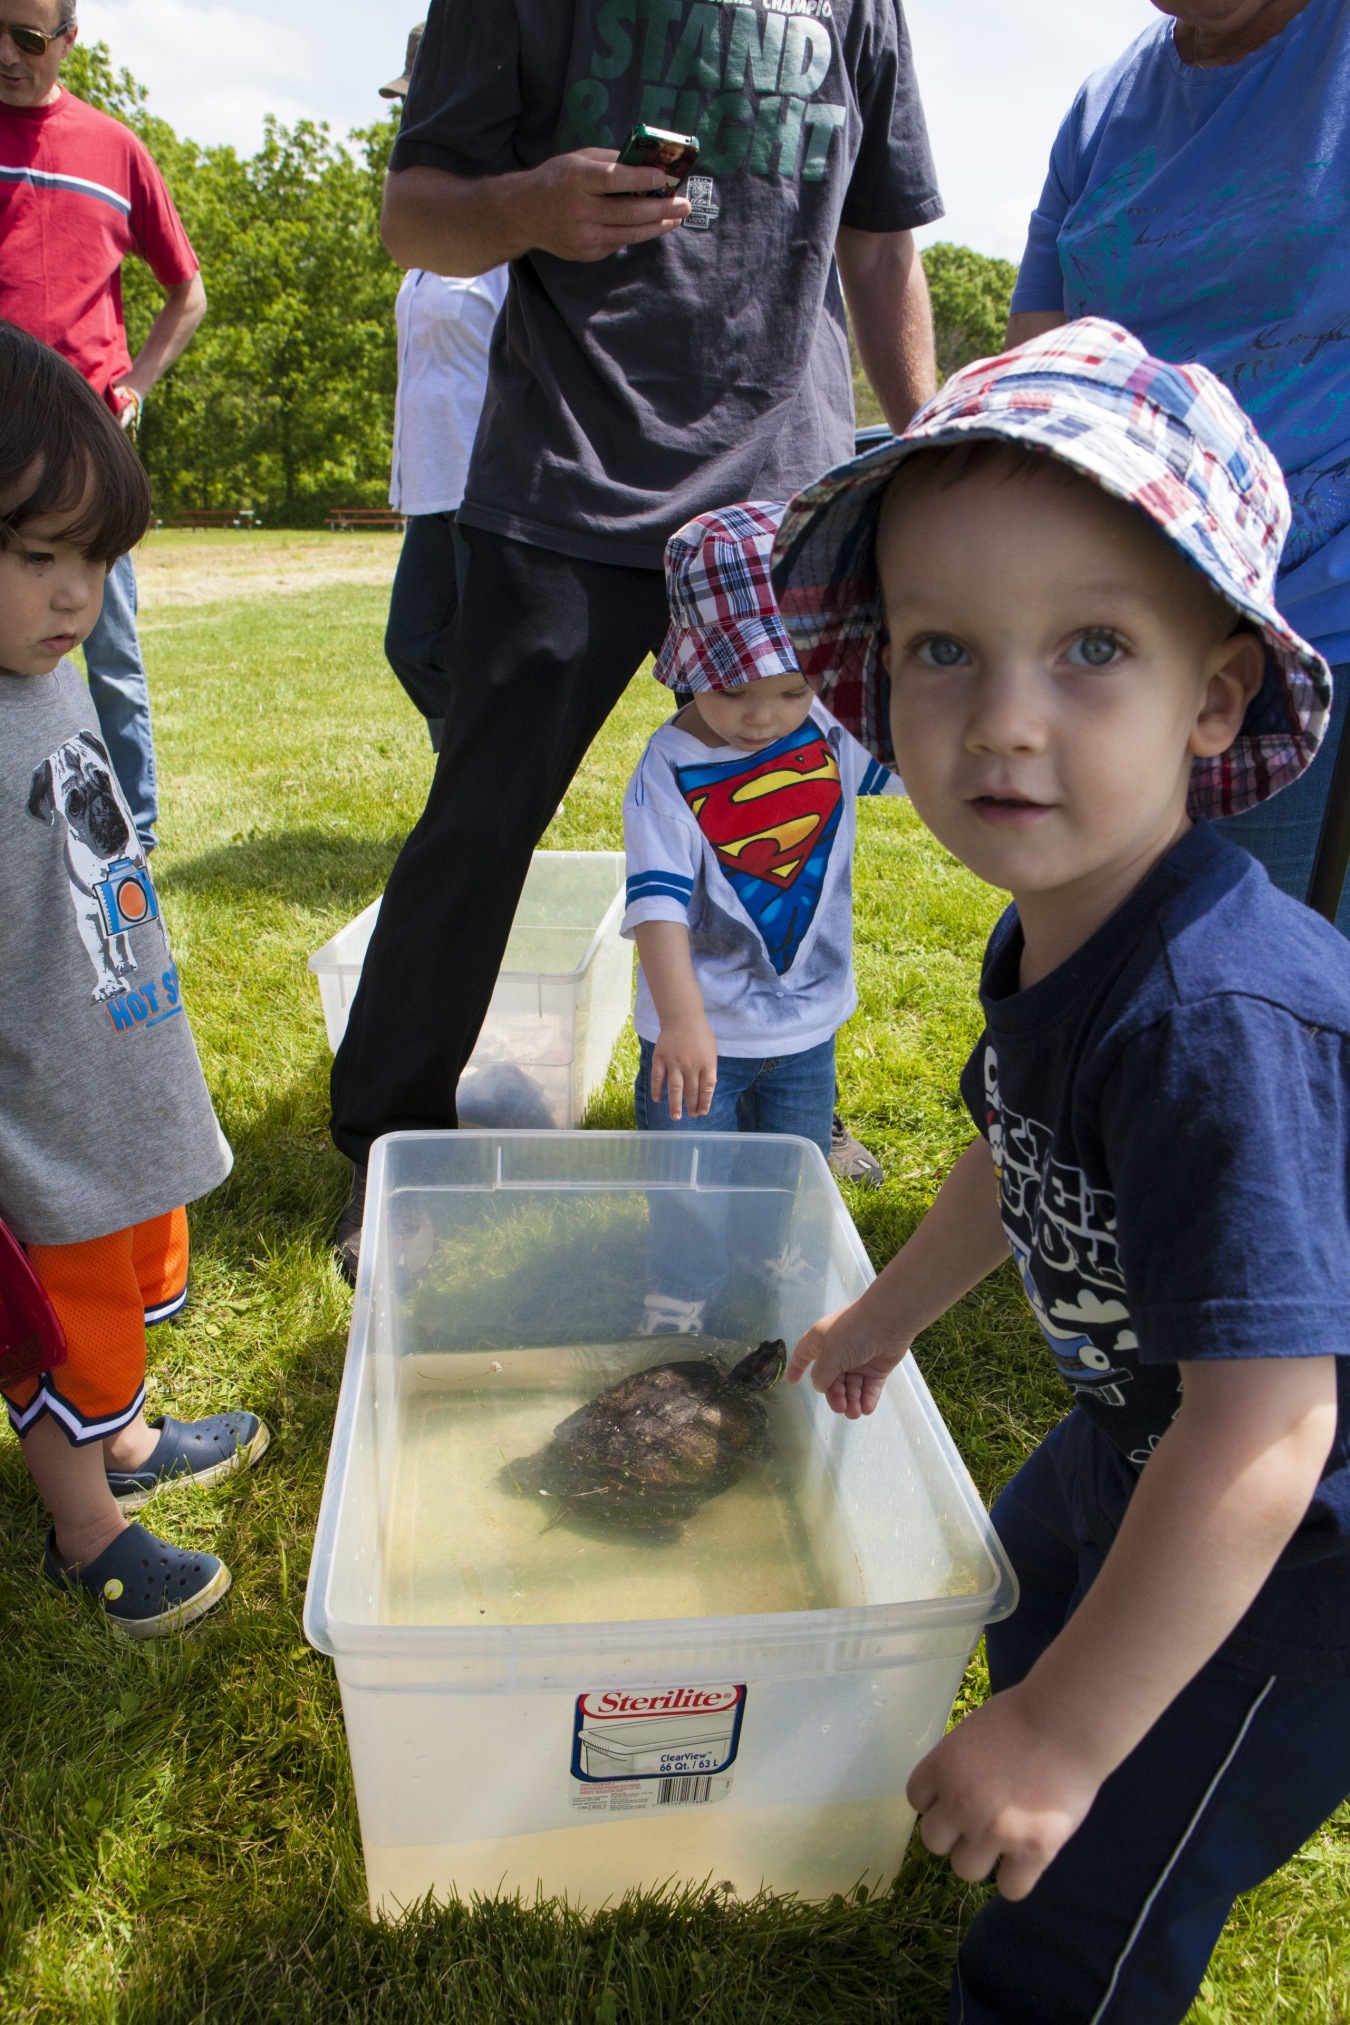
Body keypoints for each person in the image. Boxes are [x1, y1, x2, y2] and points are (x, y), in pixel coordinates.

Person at [773, 320, 1350, 2024]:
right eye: (946, 650)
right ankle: (1054, 1705)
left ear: (1215, 697)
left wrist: (1072, 1733)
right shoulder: (1067, 941)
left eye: (1092, 647)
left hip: (1303, 1556)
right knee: (1028, 1572)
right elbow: (1011, 1153)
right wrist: (887, 1311)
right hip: (1138, 1439)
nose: (1005, 723)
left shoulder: (1212, 1020)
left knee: (1098, 1891)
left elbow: (1271, 1429)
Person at [329, 0, 944, 1278]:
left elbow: (881, 249)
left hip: (783, 481)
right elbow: (416, 211)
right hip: (568, 472)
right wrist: (523, 208)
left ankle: (787, 1104)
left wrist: (935, 460)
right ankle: (390, 1146)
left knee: (786, 814)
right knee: (482, 820)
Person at [0, 325, 265, 1638]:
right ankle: (82, 1522)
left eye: (95, 563)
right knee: (61, 1325)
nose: (72, 599)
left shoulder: (42, 674)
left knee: (125, 1276)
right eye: (37, 555)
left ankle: (125, 1436)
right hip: (36, 1111)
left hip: (110, 1051)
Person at [1005, 0, 1350, 929]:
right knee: (1083, 977)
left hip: (1310, 642)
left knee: (1261, 1004)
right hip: (1115, 633)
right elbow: (1037, 368)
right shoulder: (1104, 104)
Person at [622, 502, 901, 1333]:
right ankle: (681, 1289)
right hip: (697, 1038)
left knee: (797, 1170)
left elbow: (917, 759)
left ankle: (778, 1279)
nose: (765, 714)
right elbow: (658, 909)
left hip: (807, 1029)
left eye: (792, 686)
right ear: (687, 663)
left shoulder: (827, 729)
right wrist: (681, 1020)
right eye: (735, 688)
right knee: (687, 1177)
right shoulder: (670, 767)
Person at [0, 0, 207, 853]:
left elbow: (186, 292)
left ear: (67, 41)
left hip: (84, 456)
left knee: (106, 650)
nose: (6, 55)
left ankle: (134, 839)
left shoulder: (114, 149)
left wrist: (134, 383)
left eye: (26, 37)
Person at [380, 22, 509, 751]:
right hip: (431, 487)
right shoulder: (423, 238)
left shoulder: (505, 231)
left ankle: (491, 789)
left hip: (486, 482)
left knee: (487, 656)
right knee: (415, 643)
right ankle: (475, 773)